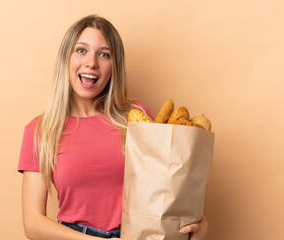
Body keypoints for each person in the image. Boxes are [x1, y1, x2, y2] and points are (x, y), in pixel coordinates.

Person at [18, 15, 208, 240]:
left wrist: (201, 225)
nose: (91, 63)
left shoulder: (135, 117)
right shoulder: (41, 130)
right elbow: (33, 224)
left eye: (104, 54)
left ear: (113, 66)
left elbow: (165, 188)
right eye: (81, 50)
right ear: (65, 58)